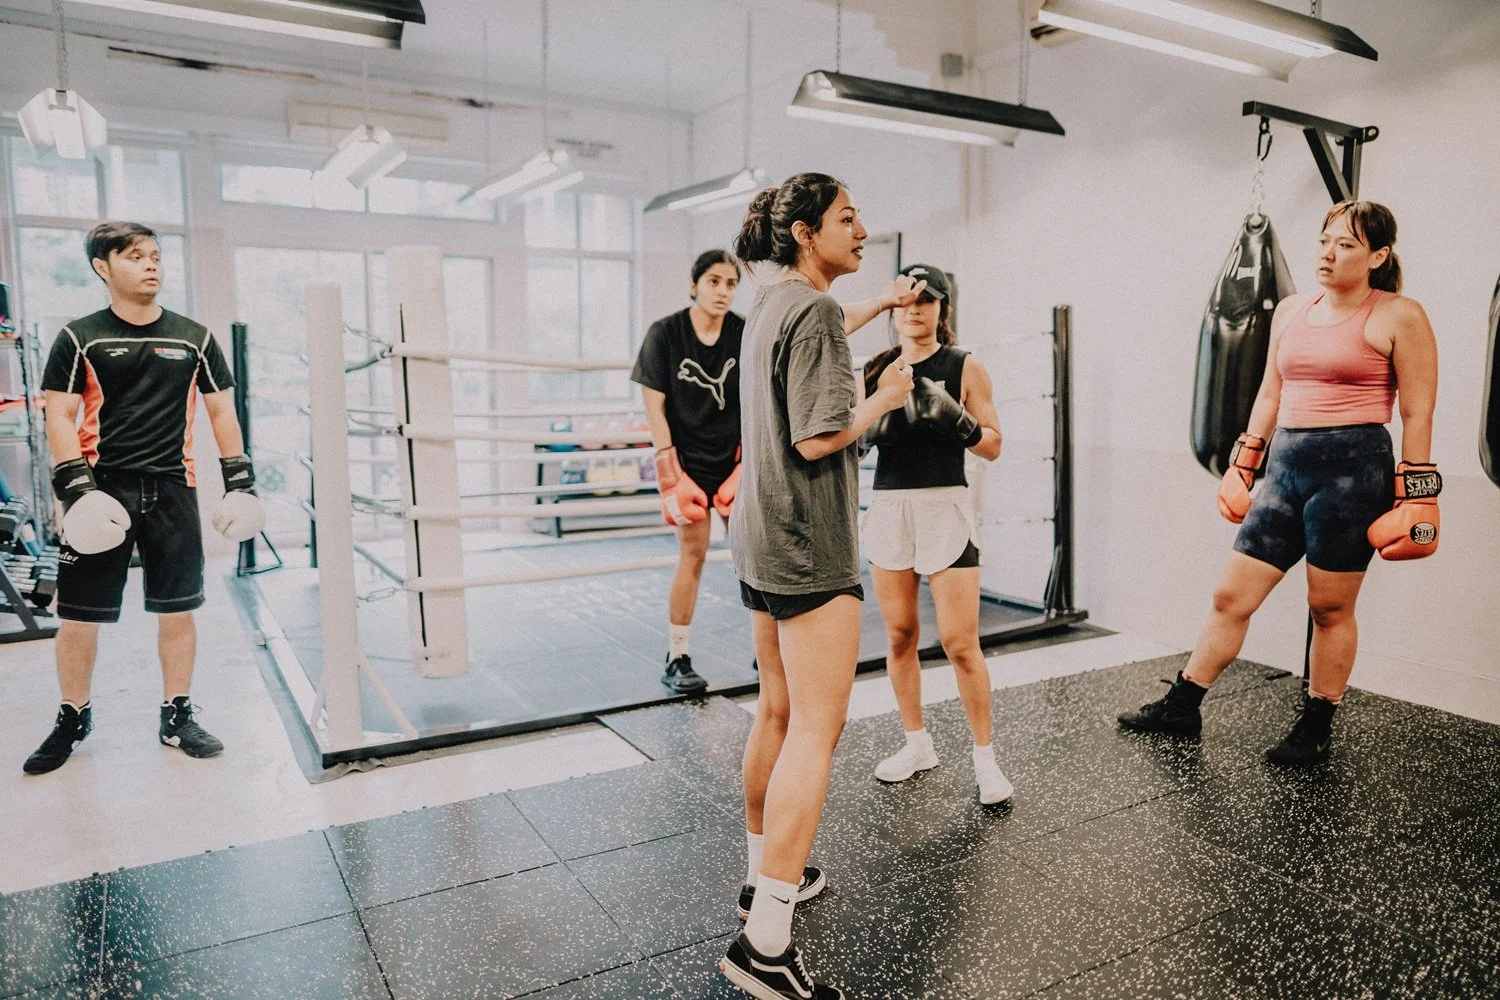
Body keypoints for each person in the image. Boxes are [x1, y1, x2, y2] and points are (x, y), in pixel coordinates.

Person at [1118, 200, 1439, 766]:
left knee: (1328, 610)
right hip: (1287, 466)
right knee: (1230, 596)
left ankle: (1316, 724)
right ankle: (1183, 704)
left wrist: (1421, 500)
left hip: (1353, 470)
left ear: (1378, 256)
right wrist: (1244, 464)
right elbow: (1269, 392)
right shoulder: (1292, 309)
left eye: (1345, 244)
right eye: (1324, 240)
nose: (1327, 252)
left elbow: (1417, 412)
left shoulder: (1399, 314)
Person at [719, 172, 919, 1000]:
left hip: (760, 537)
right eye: (847, 217)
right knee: (816, 729)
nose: (863, 228)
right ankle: (766, 944)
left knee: (775, 708)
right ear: (806, 232)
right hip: (808, 543)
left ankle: (770, 873)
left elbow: (824, 320)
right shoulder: (810, 316)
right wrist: (883, 398)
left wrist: (874, 306)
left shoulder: (769, 301)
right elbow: (817, 438)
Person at [22, 221, 265, 775]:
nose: (151, 264)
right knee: (80, 616)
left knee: (178, 609)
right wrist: (74, 489)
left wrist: (240, 481)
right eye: (135, 256)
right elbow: (57, 413)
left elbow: (222, 410)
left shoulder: (194, 337)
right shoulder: (78, 337)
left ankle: (176, 715)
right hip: (101, 490)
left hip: (173, 489)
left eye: (156, 255)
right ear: (102, 267)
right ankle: (71, 717)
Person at [860, 263, 1012, 805]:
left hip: (945, 505)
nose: (915, 308)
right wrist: (868, 427)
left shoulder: (965, 366)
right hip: (889, 507)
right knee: (900, 634)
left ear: (943, 307)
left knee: (960, 642)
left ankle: (985, 760)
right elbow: (850, 440)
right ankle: (916, 743)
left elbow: (993, 444)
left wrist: (962, 424)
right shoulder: (877, 368)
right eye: (906, 300)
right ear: (895, 308)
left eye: (927, 299)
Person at [632, 250, 745, 694]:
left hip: (736, 460)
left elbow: (759, 402)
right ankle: (677, 656)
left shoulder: (743, 331)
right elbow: (654, 406)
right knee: (692, 556)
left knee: (754, 559)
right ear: (695, 283)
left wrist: (746, 468)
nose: (722, 291)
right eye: (714, 281)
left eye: (731, 283)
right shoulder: (666, 332)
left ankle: (769, 649)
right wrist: (672, 474)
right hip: (688, 464)